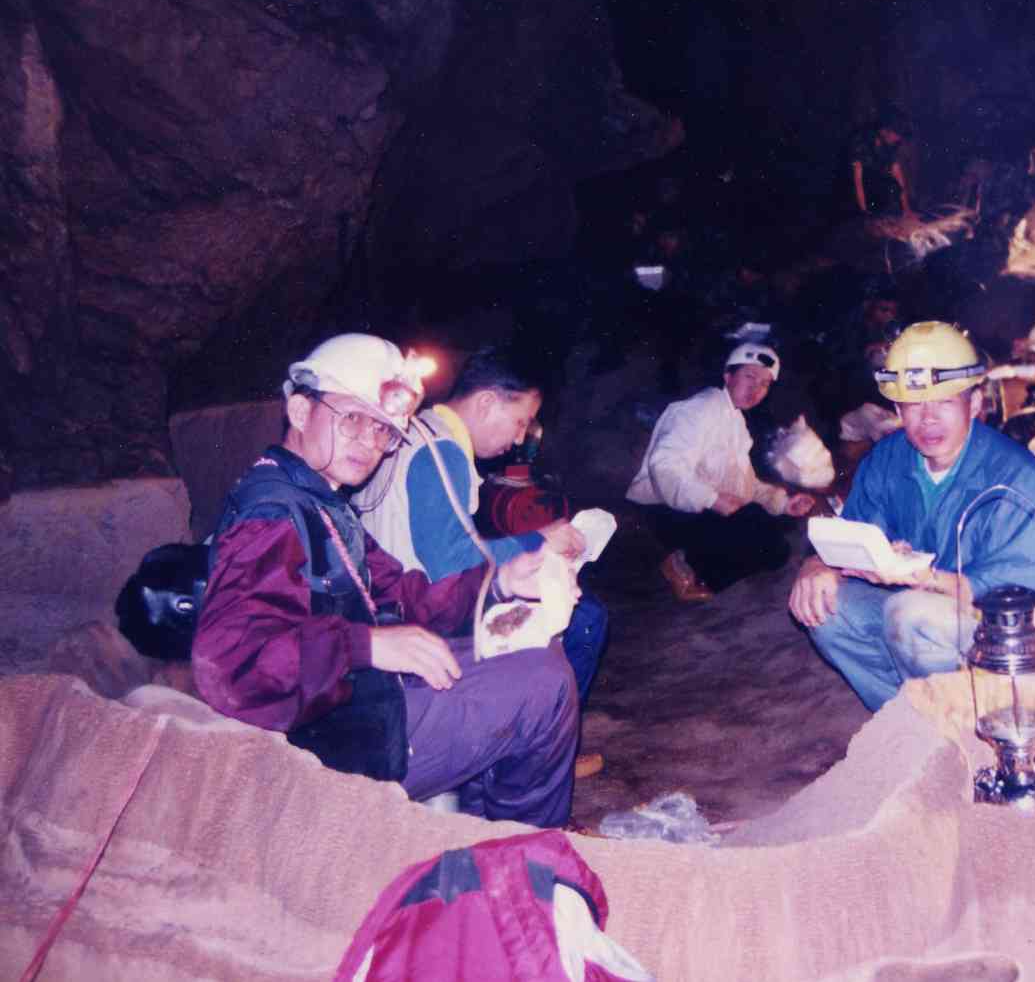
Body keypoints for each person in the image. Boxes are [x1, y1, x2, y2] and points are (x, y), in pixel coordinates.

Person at [192, 334, 580, 827]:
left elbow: (405, 594)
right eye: (352, 418)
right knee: (543, 687)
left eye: (382, 430)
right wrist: (366, 646)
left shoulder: (321, 500)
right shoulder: (274, 512)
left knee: (532, 656)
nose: (369, 443)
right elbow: (232, 662)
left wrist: (500, 581)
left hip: (354, 699)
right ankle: (526, 860)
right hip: (329, 740)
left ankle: (482, 843)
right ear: (299, 410)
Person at [358, 346, 609, 776]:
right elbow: (451, 564)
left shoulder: (414, 431)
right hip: (418, 611)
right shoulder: (442, 451)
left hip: (392, 599)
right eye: (520, 422)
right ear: (488, 401)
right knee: (585, 618)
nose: (517, 440)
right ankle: (542, 751)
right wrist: (539, 539)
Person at [790, 322, 1035, 711]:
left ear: (975, 403)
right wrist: (817, 565)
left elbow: (1021, 591)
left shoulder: (1018, 476)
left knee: (911, 613)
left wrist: (928, 579)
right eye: (914, 405)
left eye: (945, 402)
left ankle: (977, 716)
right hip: (921, 606)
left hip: (1004, 627)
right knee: (827, 611)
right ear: (897, 409)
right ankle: (910, 722)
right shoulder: (887, 458)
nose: (927, 419)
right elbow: (852, 534)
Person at [627, 341, 816, 601]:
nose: (756, 388)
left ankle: (703, 562)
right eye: (749, 376)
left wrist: (783, 503)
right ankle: (685, 563)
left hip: (702, 509)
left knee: (775, 544)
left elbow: (746, 484)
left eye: (764, 384)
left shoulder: (735, 420)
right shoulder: (698, 409)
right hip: (665, 510)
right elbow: (665, 465)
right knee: (761, 531)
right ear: (728, 375)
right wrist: (711, 499)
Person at [848, 110, 912, 216]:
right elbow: (857, 181)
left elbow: (898, 176)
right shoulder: (860, 142)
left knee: (892, 187)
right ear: (884, 130)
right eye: (896, 133)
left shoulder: (889, 145)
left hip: (876, 187)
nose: (898, 138)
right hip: (858, 190)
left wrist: (906, 209)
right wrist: (863, 212)